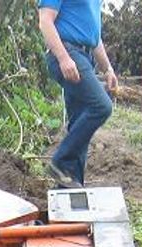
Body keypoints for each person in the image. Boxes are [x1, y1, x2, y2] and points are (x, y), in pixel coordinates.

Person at [37, 0, 118, 188]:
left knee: (80, 123)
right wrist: (64, 58)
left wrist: (107, 68)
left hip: (84, 56)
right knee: (101, 107)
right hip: (68, 52)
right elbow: (45, 21)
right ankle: (60, 162)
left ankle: (70, 189)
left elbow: (94, 37)